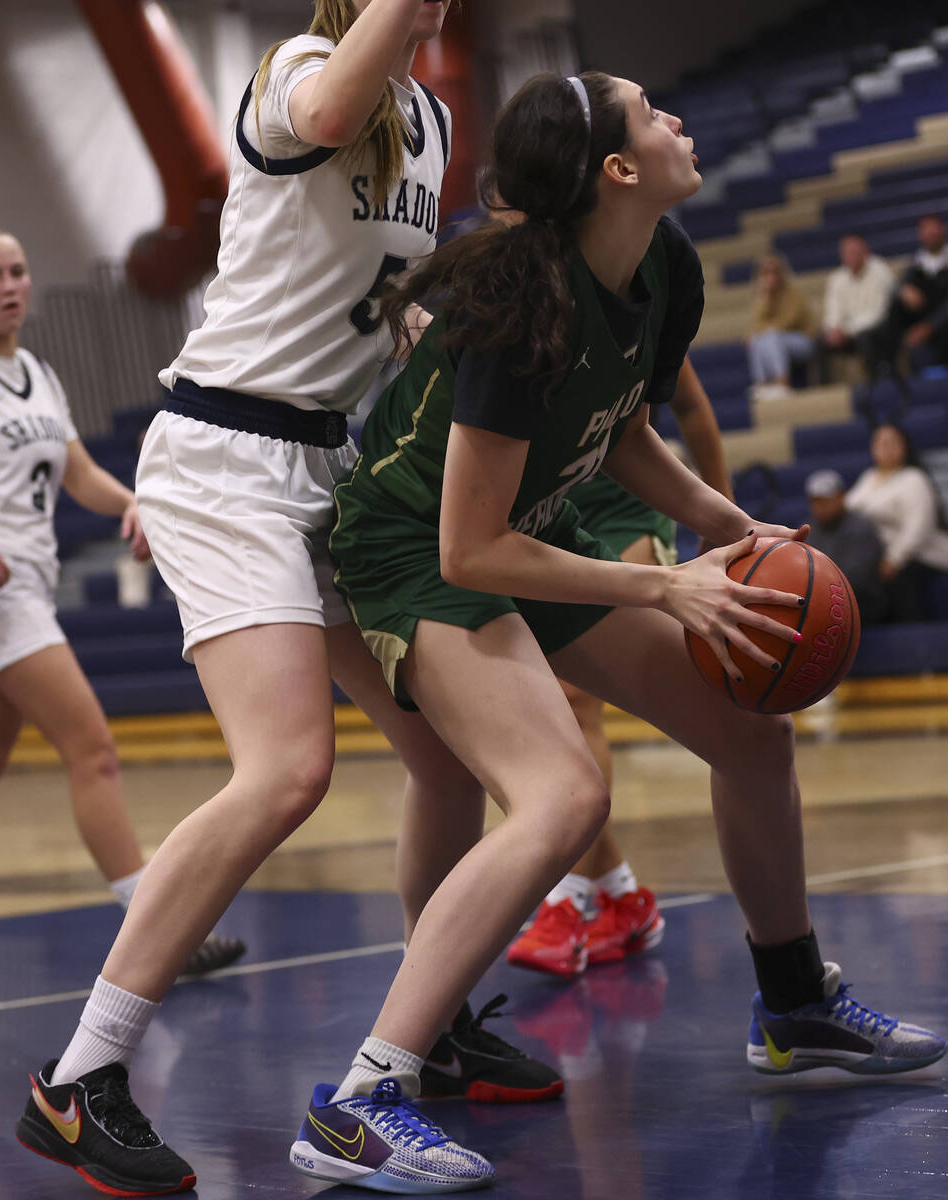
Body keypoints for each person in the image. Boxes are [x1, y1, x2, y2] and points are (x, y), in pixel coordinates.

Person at [322, 69, 944, 1189]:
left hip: (521, 529)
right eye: (654, 114)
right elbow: (469, 551)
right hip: (411, 553)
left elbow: (618, 432)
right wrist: (663, 587)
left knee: (752, 732)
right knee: (564, 796)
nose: (679, 124)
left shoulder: (664, 266)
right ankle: (363, 1096)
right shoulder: (517, 308)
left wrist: (724, 521)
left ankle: (795, 1004)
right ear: (614, 170)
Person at [16, 5, 553, 1196]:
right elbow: (323, 118)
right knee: (284, 772)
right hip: (228, 458)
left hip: (325, 461)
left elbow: (374, 295)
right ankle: (78, 1080)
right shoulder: (304, 72)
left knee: (442, 755)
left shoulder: (429, 113)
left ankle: (438, 1017)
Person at [0, 228, 244, 990]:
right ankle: (155, 931)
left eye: (17, 271)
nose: (8, 286)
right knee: (93, 748)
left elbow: (76, 473)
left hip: (24, 588)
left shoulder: (37, 371)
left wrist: (131, 503)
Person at [508, 358, 732, 975]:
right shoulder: (520, 296)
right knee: (541, 717)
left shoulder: (629, 289)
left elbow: (691, 407)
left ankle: (568, 903)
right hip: (544, 515)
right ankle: (622, 895)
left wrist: (722, 521)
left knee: (574, 699)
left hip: (629, 507)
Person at [846, 424, 948, 621]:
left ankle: (912, 637)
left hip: (918, 556)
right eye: (880, 442)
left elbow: (919, 527)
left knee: (897, 580)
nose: (886, 447)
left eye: (892, 442)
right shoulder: (869, 477)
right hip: (874, 554)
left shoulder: (913, 478)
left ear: (904, 447)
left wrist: (894, 559)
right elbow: (848, 510)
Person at [866, 214, 948, 378]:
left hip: (941, 323)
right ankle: (887, 373)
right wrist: (903, 290)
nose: (930, 234)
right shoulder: (917, 263)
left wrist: (929, 326)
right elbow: (898, 287)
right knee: (892, 310)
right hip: (922, 320)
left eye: (933, 229)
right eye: (925, 230)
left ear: (943, 230)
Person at [803, 468, 887, 625]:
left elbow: (857, 578)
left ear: (841, 497)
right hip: (821, 605)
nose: (821, 506)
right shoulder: (809, 531)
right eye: (816, 501)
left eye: (826, 500)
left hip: (861, 607)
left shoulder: (862, 528)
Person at [819, 233, 895, 383]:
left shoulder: (880, 271)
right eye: (846, 252)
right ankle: (824, 390)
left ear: (865, 252)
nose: (850, 256)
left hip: (877, 329)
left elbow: (877, 313)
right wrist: (834, 329)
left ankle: (875, 384)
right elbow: (832, 310)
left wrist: (846, 330)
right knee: (819, 341)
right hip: (846, 333)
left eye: (854, 251)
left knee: (866, 338)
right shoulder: (837, 278)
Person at [746, 254, 818, 399]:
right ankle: (762, 384)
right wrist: (766, 297)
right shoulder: (762, 296)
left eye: (774, 272)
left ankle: (782, 383)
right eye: (766, 273)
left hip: (804, 340)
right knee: (754, 340)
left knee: (772, 335)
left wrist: (765, 329)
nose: (770, 277)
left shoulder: (793, 294)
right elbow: (754, 325)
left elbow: (786, 322)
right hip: (777, 339)